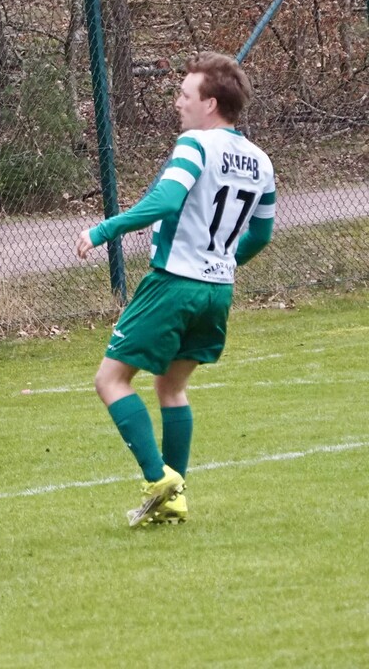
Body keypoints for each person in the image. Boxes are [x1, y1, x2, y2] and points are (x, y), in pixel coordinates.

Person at [75, 51, 276, 527]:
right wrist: (222, 263)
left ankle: (157, 478)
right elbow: (262, 233)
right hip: (217, 291)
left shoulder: (195, 144)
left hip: (173, 283)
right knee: (171, 386)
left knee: (110, 380)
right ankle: (173, 498)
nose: (177, 102)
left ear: (210, 104)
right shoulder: (261, 160)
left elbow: (166, 200)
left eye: (185, 94)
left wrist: (103, 230)